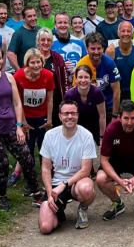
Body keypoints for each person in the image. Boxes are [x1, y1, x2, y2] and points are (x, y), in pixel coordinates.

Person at [0, 45, 44, 211]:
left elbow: (17, 103)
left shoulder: (9, 77)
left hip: (11, 126)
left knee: (27, 157)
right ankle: (2, 197)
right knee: (3, 164)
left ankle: (36, 193)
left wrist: (19, 126)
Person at [38, 100, 97, 233]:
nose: (70, 116)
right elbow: (45, 168)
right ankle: (58, 211)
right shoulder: (50, 136)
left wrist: (64, 184)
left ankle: (83, 209)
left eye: (73, 113)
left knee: (86, 189)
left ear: (78, 115)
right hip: (56, 184)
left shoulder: (86, 136)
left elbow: (86, 170)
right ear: (60, 116)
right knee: (46, 228)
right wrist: (49, 194)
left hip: (77, 182)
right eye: (66, 113)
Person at [13, 49, 54, 171]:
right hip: (27, 116)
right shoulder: (18, 76)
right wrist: (23, 122)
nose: (36, 66)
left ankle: (45, 172)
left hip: (43, 116)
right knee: (28, 147)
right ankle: (29, 176)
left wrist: (50, 120)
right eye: (32, 63)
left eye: (38, 62)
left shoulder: (49, 75)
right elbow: (17, 101)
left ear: (42, 62)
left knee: (44, 146)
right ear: (27, 63)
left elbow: (50, 100)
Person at [76, 33, 121, 123]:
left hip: (108, 106)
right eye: (93, 49)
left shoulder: (109, 63)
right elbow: (76, 91)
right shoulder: (81, 64)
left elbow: (116, 90)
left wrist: (115, 115)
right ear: (87, 49)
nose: (96, 52)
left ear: (103, 49)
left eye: (99, 48)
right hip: (89, 107)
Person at [64, 65, 106, 145]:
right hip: (76, 126)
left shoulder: (97, 93)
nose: (83, 80)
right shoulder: (69, 95)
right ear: (76, 79)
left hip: (95, 126)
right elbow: (65, 116)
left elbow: (102, 115)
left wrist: (102, 137)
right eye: (80, 77)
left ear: (91, 79)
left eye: (86, 77)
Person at [36, 28, 69, 126]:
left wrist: (65, 101)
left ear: (52, 42)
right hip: (37, 102)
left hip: (55, 101)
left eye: (49, 40)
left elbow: (65, 80)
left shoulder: (58, 58)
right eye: (43, 40)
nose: (46, 43)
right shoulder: (33, 57)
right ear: (38, 42)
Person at [106, 21, 134, 103]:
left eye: (128, 31)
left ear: (133, 33)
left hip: (133, 90)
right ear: (118, 33)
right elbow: (108, 75)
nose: (126, 34)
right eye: (123, 31)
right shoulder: (111, 50)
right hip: (116, 90)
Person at [52, 12, 87, 84]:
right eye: (60, 22)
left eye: (65, 22)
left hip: (77, 84)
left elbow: (86, 63)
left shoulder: (79, 42)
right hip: (56, 84)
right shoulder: (49, 43)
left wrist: (77, 69)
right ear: (55, 25)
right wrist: (61, 66)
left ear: (69, 25)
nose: (63, 25)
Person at [7, 6, 40, 70]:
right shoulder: (18, 34)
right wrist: (19, 71)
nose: (33, 18)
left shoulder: (40, 30)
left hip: (41, 71)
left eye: (34, 15)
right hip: (27, 73)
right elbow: (10, 54)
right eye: (29, 16)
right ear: (24, 18)